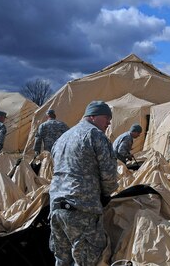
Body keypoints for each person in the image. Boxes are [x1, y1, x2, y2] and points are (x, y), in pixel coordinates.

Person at [49, 101, 118, 265]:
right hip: (82, 209)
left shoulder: (63, 137)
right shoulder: (96, 136)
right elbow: (109, 175)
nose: (109, 122)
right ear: (93, 116)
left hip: (56, 208)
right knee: (89, 260)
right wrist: (106, 194)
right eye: (106, 118)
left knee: (62, 259)